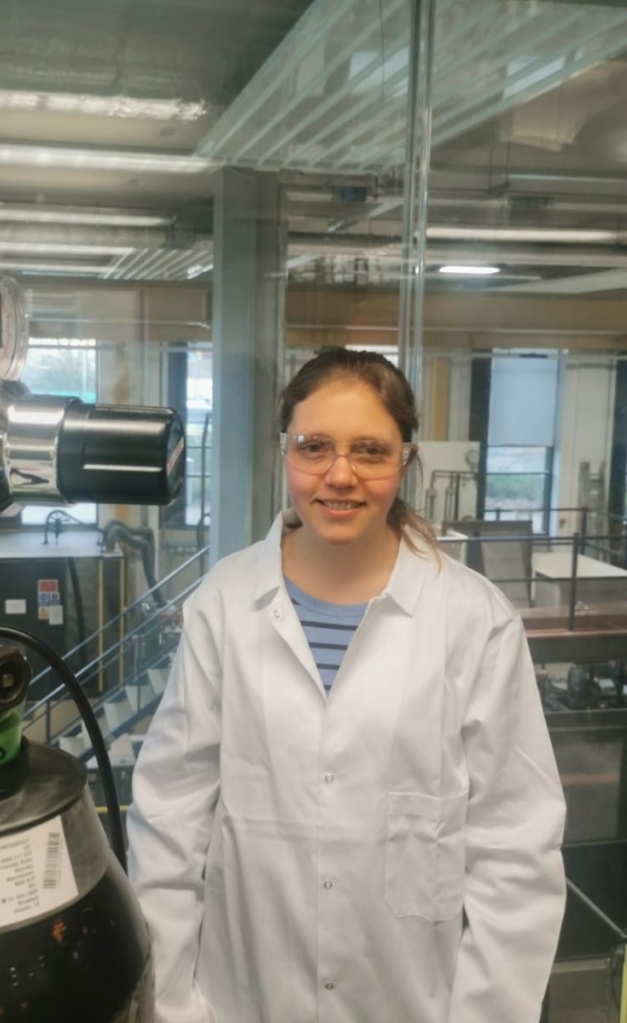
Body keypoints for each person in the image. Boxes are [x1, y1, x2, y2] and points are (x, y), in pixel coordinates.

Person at [126, 347, 566, 1023]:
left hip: (412, 1000)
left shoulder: (473, 619)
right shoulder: (225, 601)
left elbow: (514, 846)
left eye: (368, 450)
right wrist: (174, 1006)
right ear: (284, 451)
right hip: (244, 997)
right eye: (314, 447)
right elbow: (170, 820)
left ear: (405, 462)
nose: (339, 476)